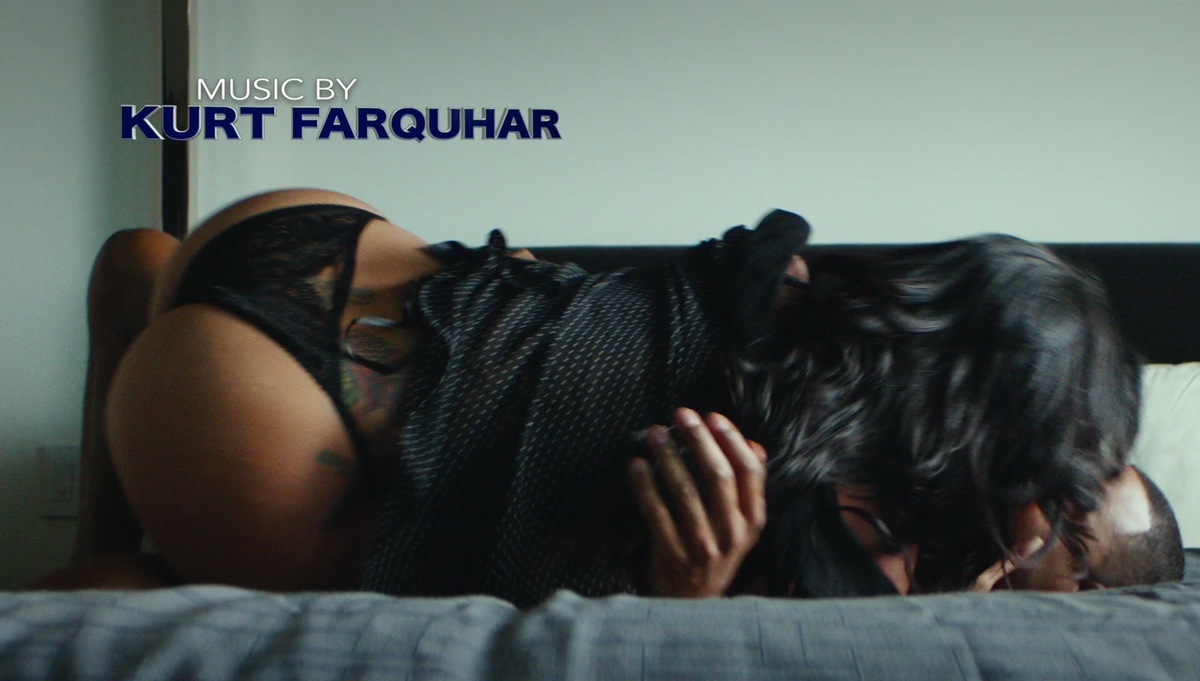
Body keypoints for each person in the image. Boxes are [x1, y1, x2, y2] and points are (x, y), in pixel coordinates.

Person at [49, 188, 1171, 603]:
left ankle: (152, 290)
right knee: (215, 585)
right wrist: (693, 600)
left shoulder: (783, 282)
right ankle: (122, 542)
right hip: (275, 436)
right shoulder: (843, 555)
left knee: (525, 294)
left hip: (306, 234)